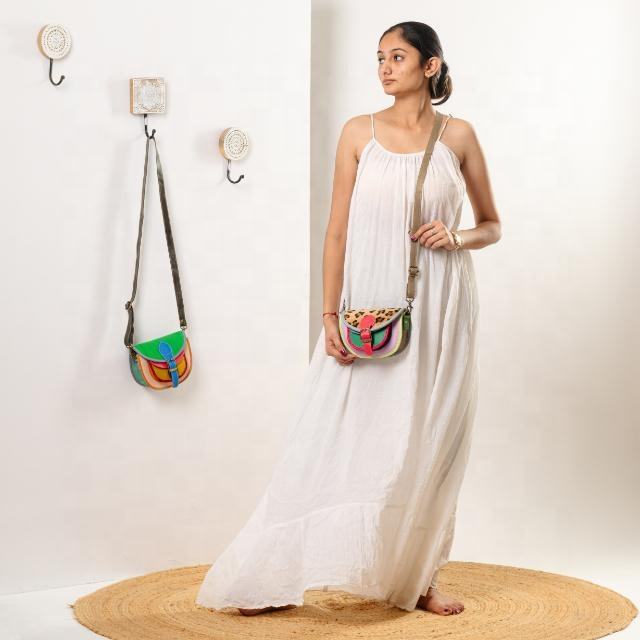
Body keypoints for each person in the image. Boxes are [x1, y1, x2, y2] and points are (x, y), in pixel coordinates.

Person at [196, 20, 501, 617]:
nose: (384, 67)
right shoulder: (358, 133)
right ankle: (270, 573)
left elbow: (492, 225)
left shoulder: (459, 136)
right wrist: (329, 315)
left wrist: (457, 236)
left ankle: (420, 578)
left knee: (432, 436)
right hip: (368, 304)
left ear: (430, 66)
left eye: (398, 57)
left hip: (441, 305)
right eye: (379, 57)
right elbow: (335, 231)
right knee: (332, 431)